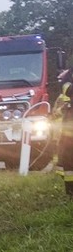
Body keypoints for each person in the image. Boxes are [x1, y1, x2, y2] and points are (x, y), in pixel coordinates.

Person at [52, 68, 73, 197]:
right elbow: (55, 113)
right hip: (64, 134)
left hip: (65, 135)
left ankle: (70, 192)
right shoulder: (64, 100)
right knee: (66, 163)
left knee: (67, 164)